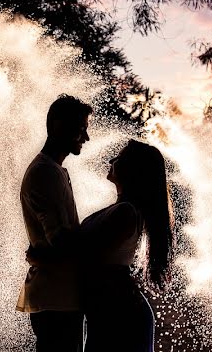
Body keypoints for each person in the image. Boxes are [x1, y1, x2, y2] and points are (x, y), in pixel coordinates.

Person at [79, 139, 174, 352]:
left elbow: (87, 256)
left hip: (120, 315)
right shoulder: (121, 209)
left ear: (132, 169)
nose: (112, 160)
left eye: (119, 158)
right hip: (110, 312)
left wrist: (44, 257)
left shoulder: (126, 212)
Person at [16, 94, 93, 352]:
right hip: (56, 298)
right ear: (60, 126)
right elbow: (60, 241)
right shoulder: (45, 172)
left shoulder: (53, 170)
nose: (86, 137)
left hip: (61, 295)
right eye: (82, 129)